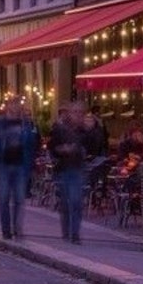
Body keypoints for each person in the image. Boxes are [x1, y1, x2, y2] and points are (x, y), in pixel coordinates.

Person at [0, 98, 36, 239]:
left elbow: (31, 143)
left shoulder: (26, 124)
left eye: (17, 105)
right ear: (7, 107)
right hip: (3, 164)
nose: (15, 107)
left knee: (19, 199)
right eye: (12, 105)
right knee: (4, 199)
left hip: (20, 165)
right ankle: (6, 230)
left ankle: (17, 229)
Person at [48, 101, 89, 244]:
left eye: (81, 113)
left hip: (77, 169)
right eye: (75, 112)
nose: (78, 115)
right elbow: (52, 147)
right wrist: (62, 149)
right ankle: (66, 231)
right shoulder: (60, 129)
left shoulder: (84, 131)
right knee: (66, 202)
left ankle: (75, 234)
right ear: (70, 113)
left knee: (76, 202)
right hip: (63, 168)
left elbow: (94, 146)